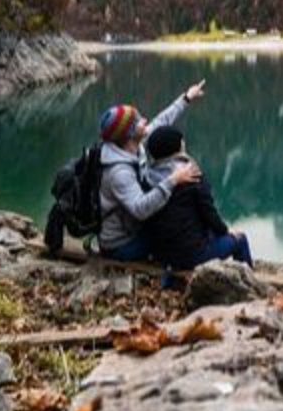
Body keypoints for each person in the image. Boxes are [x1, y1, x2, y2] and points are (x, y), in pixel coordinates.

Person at [96, 80, 206, 261]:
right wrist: (173, 179)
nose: (145, 121)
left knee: (177, 225)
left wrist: (186, 98)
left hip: (133, 228)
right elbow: (140, 209)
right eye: (139, 121)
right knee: (177, 236)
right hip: (120, 244)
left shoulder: (132, 144)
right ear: (129, 133)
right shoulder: (119, 172)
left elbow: (161, 121)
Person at [141, 126, 252, 270]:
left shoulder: (147, 177)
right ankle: (249, 285)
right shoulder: (191, 174)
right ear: (179, 146)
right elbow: (209, 213)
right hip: (191, 255)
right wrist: (225, 231)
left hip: (160, 253)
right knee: (240, 240)